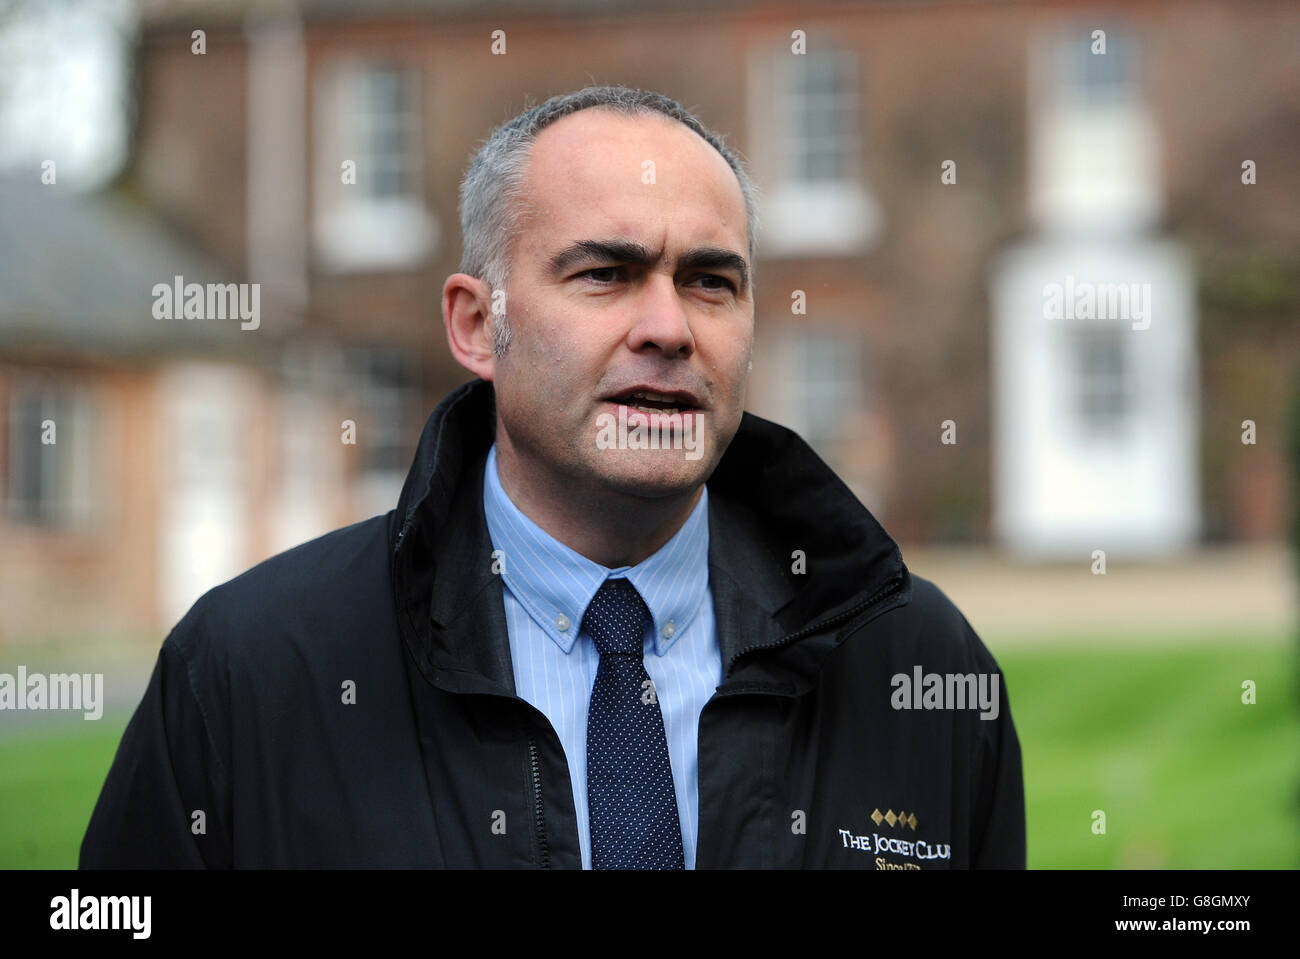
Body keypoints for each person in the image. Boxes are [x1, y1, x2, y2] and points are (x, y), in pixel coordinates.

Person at [81, 85, 1025, 869]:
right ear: (472, 324)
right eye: (605, 274)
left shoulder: (919, 665)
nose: (669, 327)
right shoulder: (251, 669)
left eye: (710, 281)